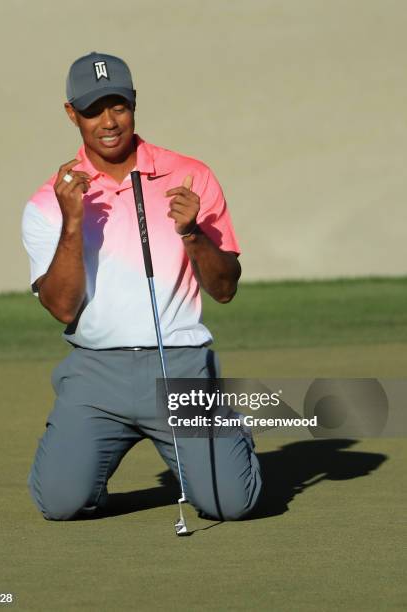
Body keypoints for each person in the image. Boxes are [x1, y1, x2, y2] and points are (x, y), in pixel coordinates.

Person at [22, 52, 262, 522]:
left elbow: (225, 289)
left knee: (231, 504)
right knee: (60, 503)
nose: (108, 121)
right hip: (95, 376)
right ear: (72, 114)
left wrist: (193, 233)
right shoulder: (48, 201)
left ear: (134, 103)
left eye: (118, 105)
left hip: (181, 366)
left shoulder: (191, 176)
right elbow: (62, 307)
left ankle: (226, 436)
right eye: (93, 109)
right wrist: (73, 222)